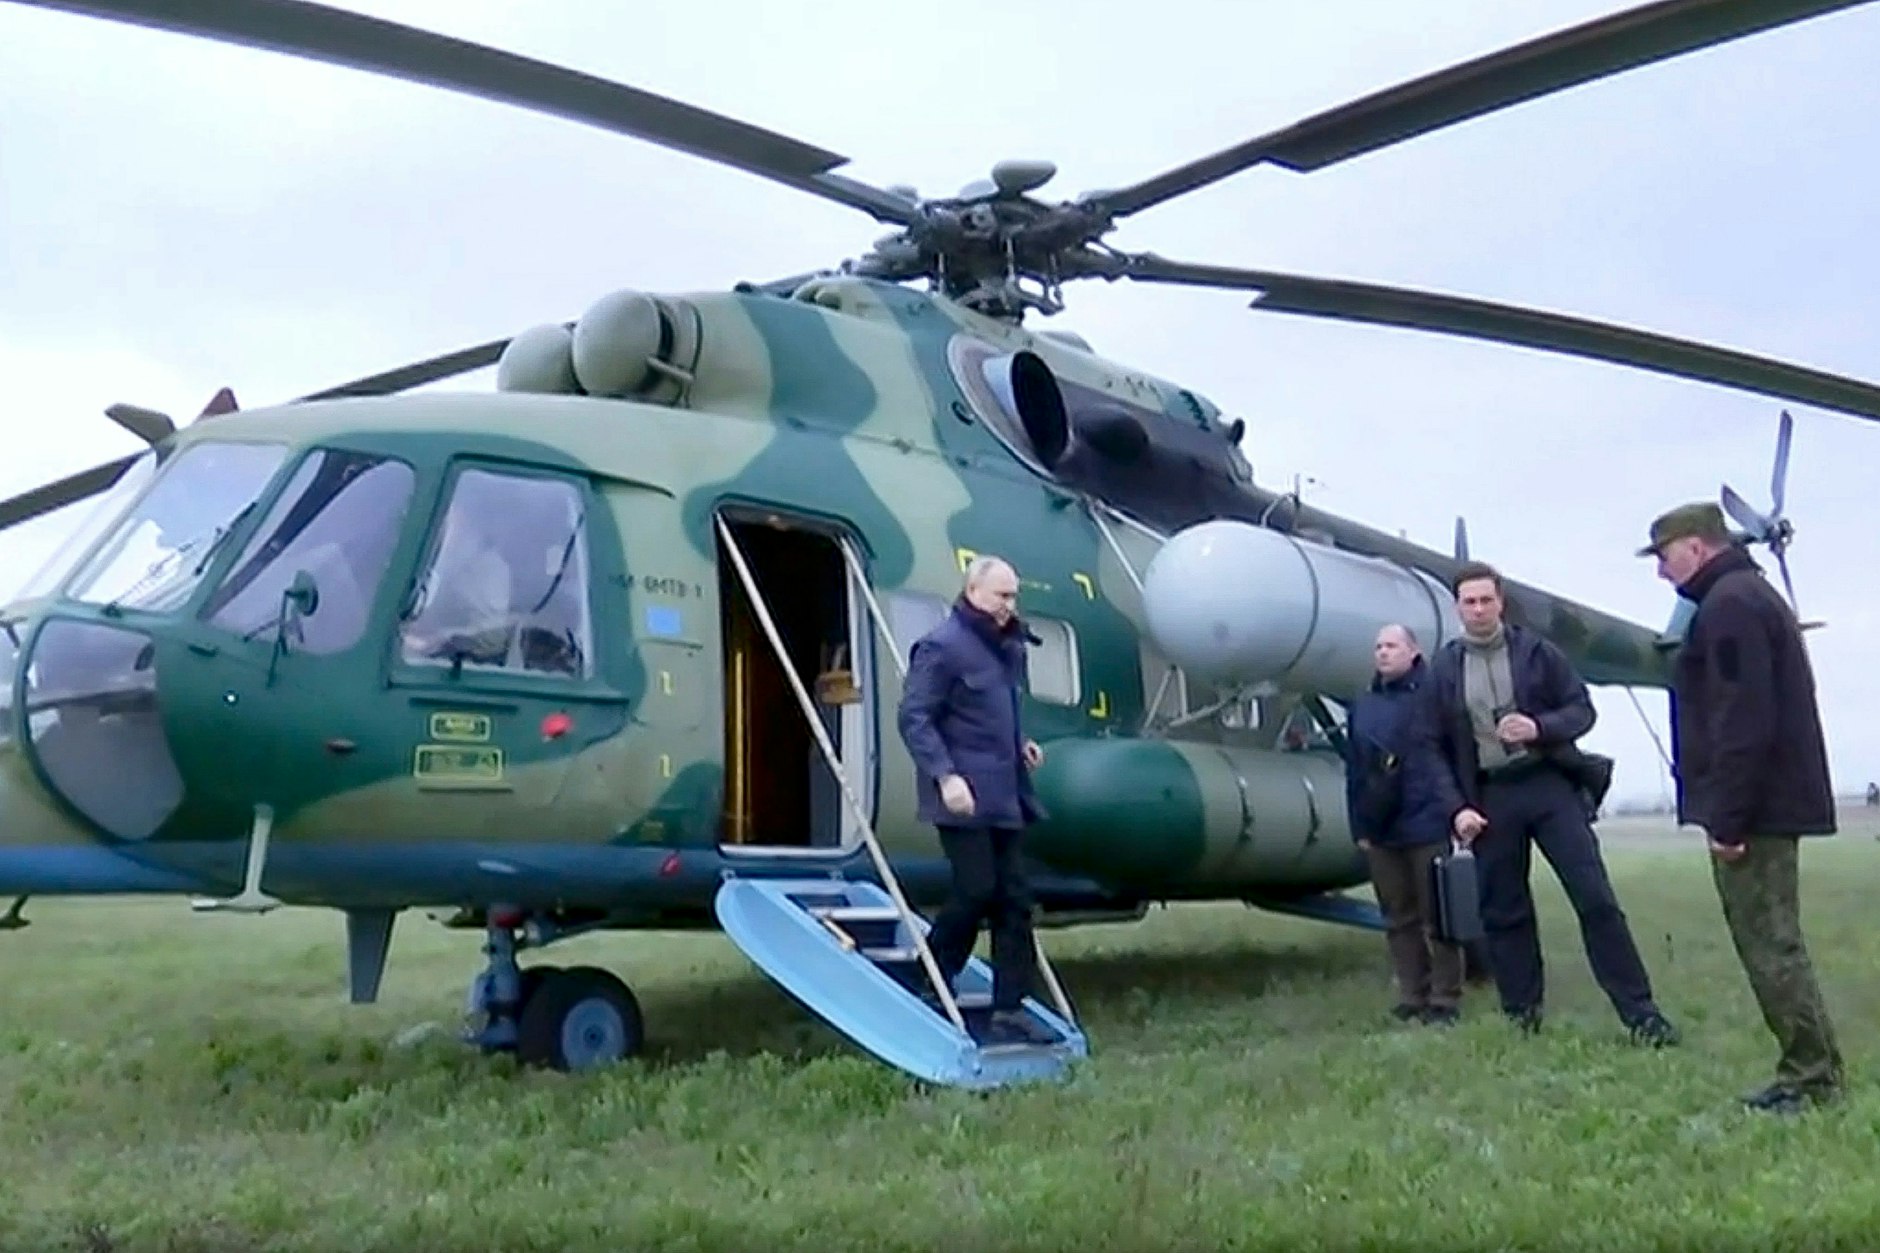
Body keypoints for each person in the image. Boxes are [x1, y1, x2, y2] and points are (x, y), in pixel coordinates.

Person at [1414, 561, 1679, 1045]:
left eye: (1485, 600)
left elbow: (1582, 709)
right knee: (1505, 911)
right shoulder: (1445, 668)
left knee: (1595, 898)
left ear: (1501, 603)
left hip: (1547, 785)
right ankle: (1522, 1017)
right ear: (1458, 608)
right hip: (1490, 798)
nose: (1477, 610)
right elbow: (1429, 746)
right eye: (1468, 602)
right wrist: (1457, 808)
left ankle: (1641, 1015)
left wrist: (1540, 728)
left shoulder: (1538, 653)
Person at [1640, 502, 1843, 1112]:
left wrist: (1728, 820)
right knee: (1777, 942)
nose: (1661, 572)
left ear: (1696, 546)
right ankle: (1816, 1069)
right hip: (1769, 803)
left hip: (1758, 811)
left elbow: (1742, 720)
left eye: (1664, 556)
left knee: (1769, 944)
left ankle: (1809, 1081)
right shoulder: (1744, 596)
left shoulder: (1729, 607)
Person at [896, 555, 1051, 1044]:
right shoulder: (942, 647)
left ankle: (1011, 1007)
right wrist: (945, 776)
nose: (1010, 605)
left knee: (1016, 901)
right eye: (1002, 595)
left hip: (1005, 793)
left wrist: (1020, 743)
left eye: (1014, 596)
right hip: (961, 795)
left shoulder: (1008, 648)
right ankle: (931, 972)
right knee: (977, 889)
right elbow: (914, 718)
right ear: (973, 591)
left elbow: (997, 709)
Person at [1345, 623, 1464, 1025]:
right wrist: (1359, 825)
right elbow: (1355, 769)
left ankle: (1445, 998)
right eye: (1378, 646)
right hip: (1382, 826)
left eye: (1392, 646)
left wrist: (1455, 811)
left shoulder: (1435, 697)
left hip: (1427, 820)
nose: (1382, 653)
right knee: (1397, 915)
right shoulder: (1362, 704)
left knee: (1438, 915)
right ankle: (1412, 994)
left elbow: (1452, 756)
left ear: (1413, 652)